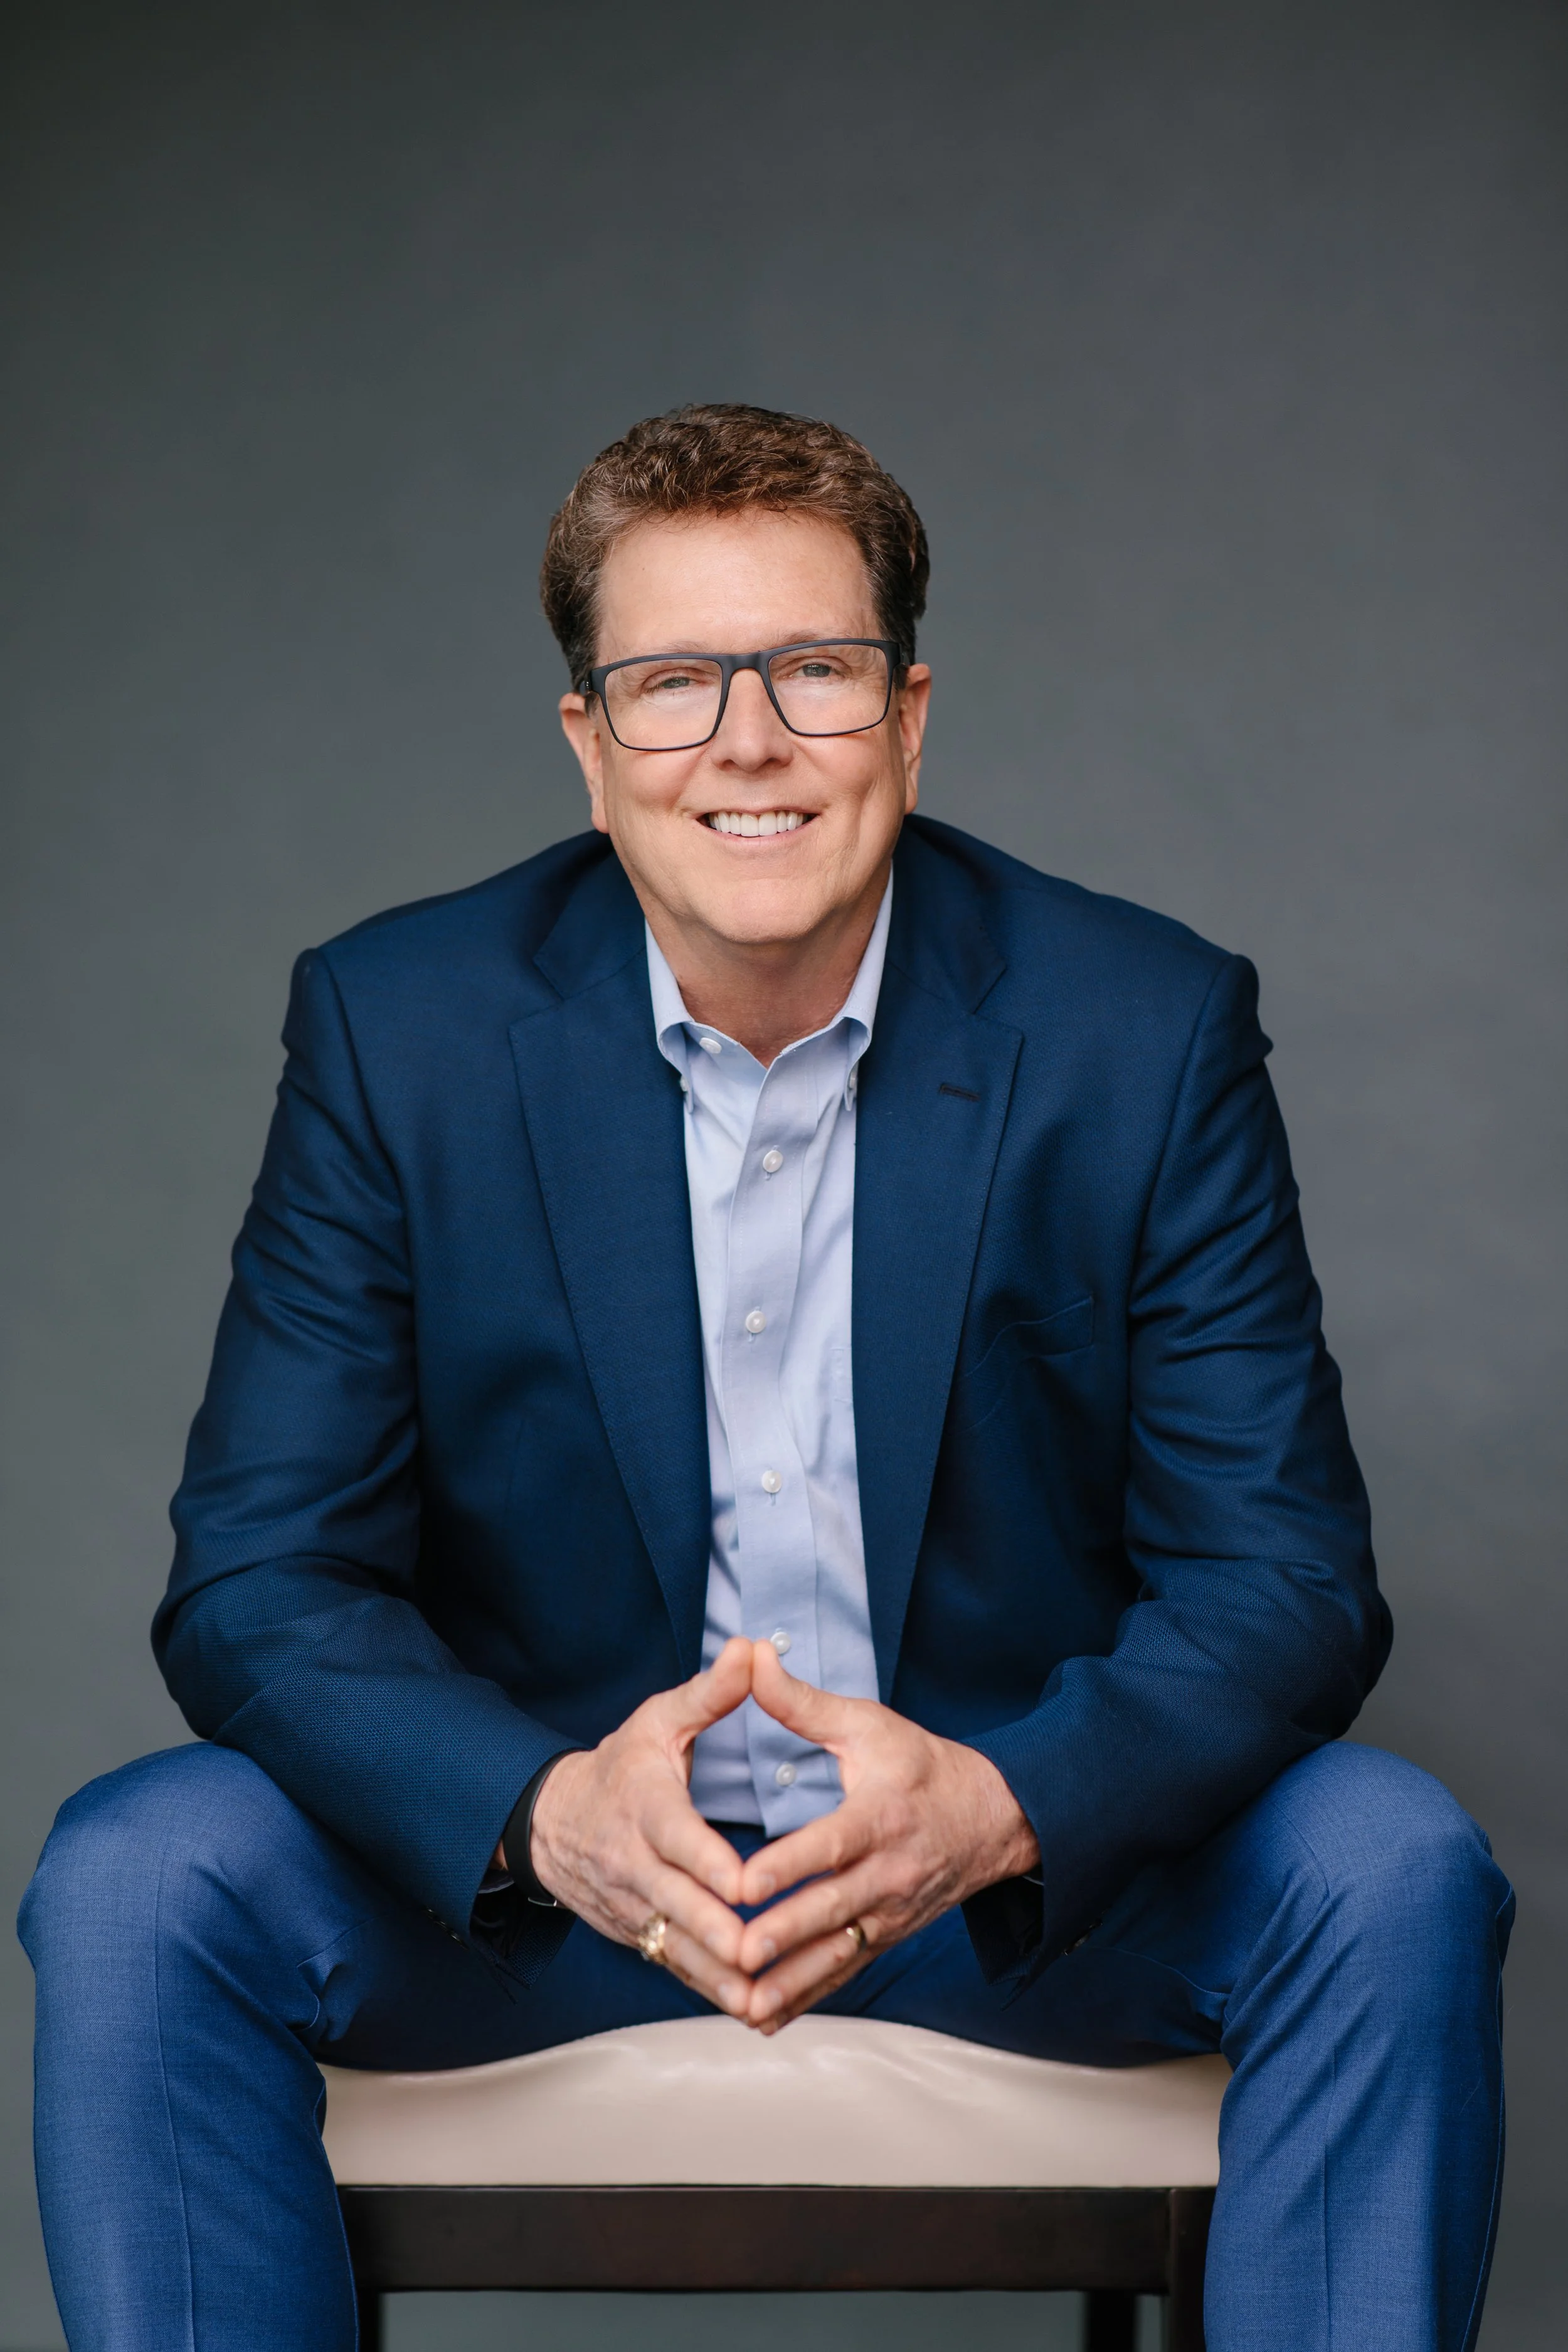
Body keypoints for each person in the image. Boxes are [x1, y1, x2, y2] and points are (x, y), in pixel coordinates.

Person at [20, 405, 1511, 2351]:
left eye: (809, 669)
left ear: (905, 712)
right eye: (668, 681)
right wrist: (539, 1811)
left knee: (1388, 1858)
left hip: (1003, 1891)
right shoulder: (399, 1030)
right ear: (588, 742)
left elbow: (1285, 1581)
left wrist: (993, 1803)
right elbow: (255, 1583)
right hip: (550, 1903)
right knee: (139, 1878)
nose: (746, 740)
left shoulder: (1138, 1028)